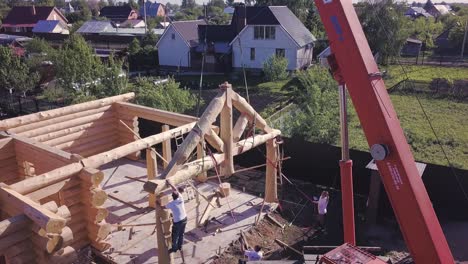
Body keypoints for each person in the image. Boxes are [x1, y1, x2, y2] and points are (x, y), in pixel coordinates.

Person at [164, 180, 187, 254]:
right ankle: (180, 246)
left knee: (175, 236)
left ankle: (174, 249)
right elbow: (175, 189)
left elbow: (163, 207)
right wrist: (170, 183)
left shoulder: (171, 204)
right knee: (181, 234)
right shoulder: (181, 198)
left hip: (178, 222)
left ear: (172, 197)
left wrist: (157, 203)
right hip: (185, 219)